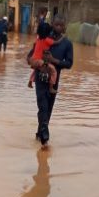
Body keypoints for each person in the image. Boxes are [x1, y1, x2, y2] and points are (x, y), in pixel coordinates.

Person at [27, 15, 73, 146]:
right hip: (40, 78)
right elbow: (29, 57)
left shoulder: (67, 44)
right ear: (52, 24)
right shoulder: (43, 38)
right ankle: (45, 136)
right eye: (56, 24)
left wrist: (53, 60)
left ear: (65, 27)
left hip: (54, 79)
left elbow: (69, 63)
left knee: (48, 108)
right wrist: (37, 64)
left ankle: (39, 132)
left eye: (61, 25)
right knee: (42, 105)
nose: (58, 27)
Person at [28, 22, 59, 94]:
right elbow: (56, 43)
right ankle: (51, 88)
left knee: (37, 69)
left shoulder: (38, 38)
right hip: (39, 61)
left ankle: (30, 81)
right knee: (53, 70)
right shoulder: (47, 40)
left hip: (33, 60)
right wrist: (62, 39)